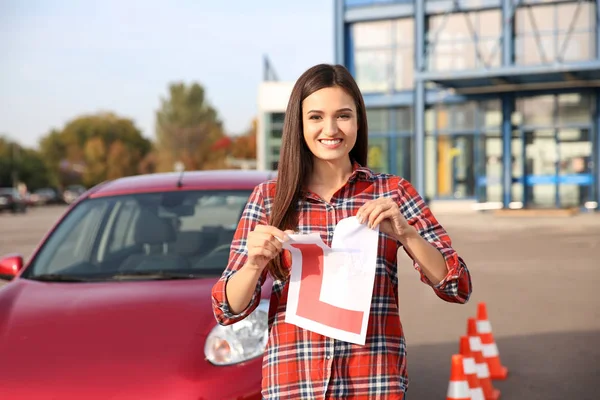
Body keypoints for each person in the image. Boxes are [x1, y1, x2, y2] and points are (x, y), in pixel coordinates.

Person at [211, 64, 472, 399]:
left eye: (343, 116)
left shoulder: (393, 194)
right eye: (316, 116)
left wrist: (408, 235)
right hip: (294, 385)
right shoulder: (268, 200)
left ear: (358, 122)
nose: (330, 129)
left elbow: (457, 286)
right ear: (299, 124)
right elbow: (226, 309)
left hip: (373, 384)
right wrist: (252, 265)